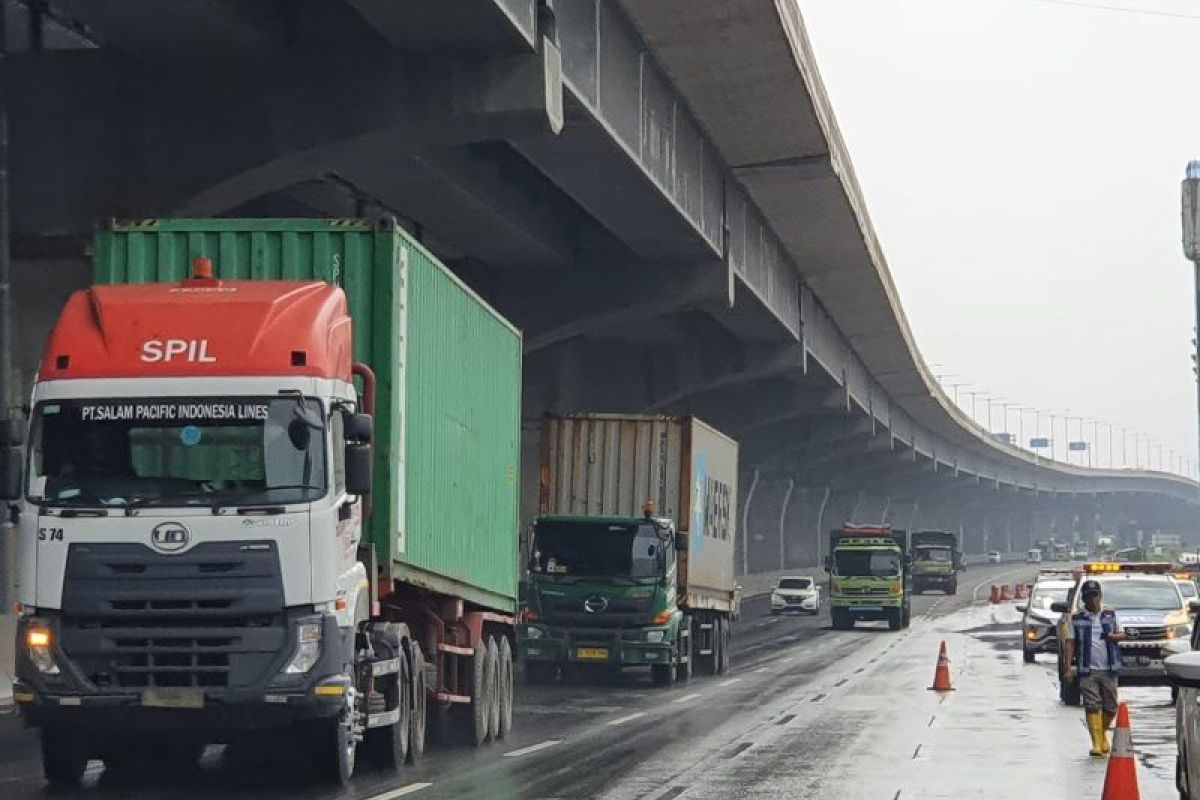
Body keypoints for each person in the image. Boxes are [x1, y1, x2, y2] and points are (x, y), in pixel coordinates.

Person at [1062, 580, 1125, 757]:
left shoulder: (1110, 614)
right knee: (1092, 705)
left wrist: (1114, 637)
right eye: (1089, 597)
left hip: (1109, 668)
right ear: (1084, 599)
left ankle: (1102, 733)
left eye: (1095, 596)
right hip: (1087, 669)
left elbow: (1122, 634)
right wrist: (1068, 668)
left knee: (1111, 707)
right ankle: (1097, 743)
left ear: (1100, 596)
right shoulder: (1077, 618)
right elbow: (1070, 643)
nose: (1092, 600)